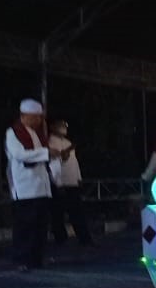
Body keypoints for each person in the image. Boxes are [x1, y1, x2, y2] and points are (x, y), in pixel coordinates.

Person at [6, 98, 58, 272]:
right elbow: (19, 154)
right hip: (25, 187)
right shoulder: (13, 132)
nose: (39, 120)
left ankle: (36, 258)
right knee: (25, 226)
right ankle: (21, 259)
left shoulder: (36, 133)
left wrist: (50, 154)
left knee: (40, 226)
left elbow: (41, 156)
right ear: (25, 116)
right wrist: (45, 152)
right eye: (36, 117)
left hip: (41, 186)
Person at [48, 120, 93, 246]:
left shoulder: (68, 142)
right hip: (61, 183)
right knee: (58, 214)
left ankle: (85, 239)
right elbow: (55, 163)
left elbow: (74, 162)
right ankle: (60, 240)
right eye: (61, 126)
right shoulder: (51, 142)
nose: (64, 128)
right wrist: (58, 183)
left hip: (72, 183)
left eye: (65, 126)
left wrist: (78, 178)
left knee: (77, 212)